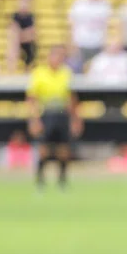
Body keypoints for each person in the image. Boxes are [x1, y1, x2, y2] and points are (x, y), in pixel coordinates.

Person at [27, 45, 82, 190]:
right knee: (44, 149)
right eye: (57, 56)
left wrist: (75, 119)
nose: (59, 59)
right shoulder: (39, 73)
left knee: (64, 150)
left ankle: (62, 180)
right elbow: (32, 98)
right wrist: (34, 119)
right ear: (50, 57)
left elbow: (71, 98)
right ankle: (40, 180)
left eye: (62, 57)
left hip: (62, 114)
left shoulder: (66, 73)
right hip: (46, 114)